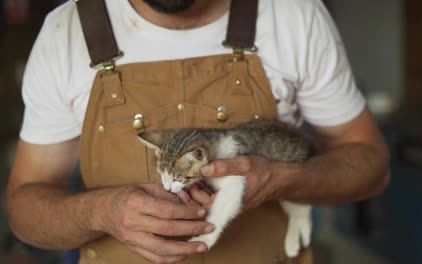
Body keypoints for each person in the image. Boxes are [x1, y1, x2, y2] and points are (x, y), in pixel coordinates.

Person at [6, 0, 390, 263]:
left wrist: (284, 179)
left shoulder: (293, 15)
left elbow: (371, 165)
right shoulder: (65, 33)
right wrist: (100, 212)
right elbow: (24, 212)